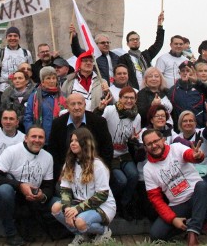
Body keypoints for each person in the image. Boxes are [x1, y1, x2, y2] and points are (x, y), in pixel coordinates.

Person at [142, 129, 207, 245]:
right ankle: (192, 222)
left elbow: (192, 156)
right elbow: (156, 199)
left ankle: (192, 232)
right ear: (145, 148)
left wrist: (197, 156)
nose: (154, 145)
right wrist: (173, 219)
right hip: (178, 204)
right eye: (149, 144)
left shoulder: (177, 148)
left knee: (202, 186)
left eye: (156, 141)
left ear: (163, 140)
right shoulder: (148, 169)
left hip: (197, 196)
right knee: (156, 235)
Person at [0, 126, 54, 246]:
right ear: (25, 138)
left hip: (32, 200)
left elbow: (49, 186)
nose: (37, 140)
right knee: (4, 191)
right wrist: (20, 186)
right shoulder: (12, 151)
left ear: (45, 140)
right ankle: (11, 233)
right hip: (9, 199)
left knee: (56, 202)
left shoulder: (48, 157)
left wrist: (42, 195)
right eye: (33, 136)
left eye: (41, 137)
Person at [51, 128, 115, 244]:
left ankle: (103, 231)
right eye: (72, 140)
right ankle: (81, 235)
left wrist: (77, 209)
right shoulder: (69, 163)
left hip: (102, 205)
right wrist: (67, 209)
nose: (73, 143)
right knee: (56, 208)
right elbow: (65, 189)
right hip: (79, 202)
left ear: (85, 143)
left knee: (80, 221)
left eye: (77, 140)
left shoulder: (97, 165)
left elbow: (102, 195)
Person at [94, 86, 141, 221]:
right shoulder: (110, 110)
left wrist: (133, 140)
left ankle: (124, 204)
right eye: (125, 97)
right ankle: (110, 203)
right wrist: (100, 109)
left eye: (132, 98)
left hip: (124, 152)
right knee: (121, 181)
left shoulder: (136, 116)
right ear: (120, 98)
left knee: (133, 176)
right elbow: (94, 122)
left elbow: (134, 135)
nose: (129, 100)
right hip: (109, 153)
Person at [48, 94, 114, 180]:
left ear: (85, 105)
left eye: (80, 103)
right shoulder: (58, 123)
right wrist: (60, 173)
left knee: (120, 182)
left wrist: (100, 171)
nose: (76, 107)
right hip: (67, 171)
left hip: (93, 169)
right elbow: (53, 151)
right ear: (67, 106)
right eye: (73, 104)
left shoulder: (99, 122)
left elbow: (107, 149)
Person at [117, 13, 166, 90]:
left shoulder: (146, 55)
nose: (135, 41)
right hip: (134, 91)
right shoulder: (123, 59)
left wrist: (159, 25)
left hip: (149, 90)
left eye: (137, 39)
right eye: (132, 39)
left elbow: (158, 44)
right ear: (127, 43)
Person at [24, 67, 66, 143]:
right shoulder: (34, 97)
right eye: (48, 78)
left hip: (59, 138)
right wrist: (32, 134)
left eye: (54, 78)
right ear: (42, 81)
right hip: (39, 139)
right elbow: (28, 117)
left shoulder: (64, 96)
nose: (52, 81)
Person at [0, 27, 33, 92]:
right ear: (6, 38)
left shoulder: (26, 53)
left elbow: (30, 74)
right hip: (4, 89)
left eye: (15, 36)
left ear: (19, 38)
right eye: (10, 36)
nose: (12, 38)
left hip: (22, 89)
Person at [168, 62, 207, 128]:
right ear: (179, 73)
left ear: (193, 72)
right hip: (179, 131)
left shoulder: (201, 89)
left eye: (188, 70)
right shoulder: (172, 90)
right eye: (183, 71)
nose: (185, 73)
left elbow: (206, 111)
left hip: (199, 129)